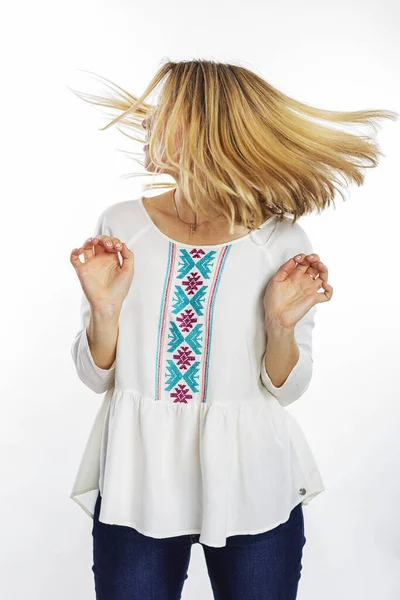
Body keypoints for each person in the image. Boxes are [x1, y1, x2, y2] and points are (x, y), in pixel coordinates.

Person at [68, 59, 396, 599]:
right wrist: (104, 309)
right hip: (136, 479)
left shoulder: (281, 242)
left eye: (164, 112)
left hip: (252, 483)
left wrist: (280, 323)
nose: (148, 122)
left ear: (202, 125)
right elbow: (94, 376)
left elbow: (287, 388)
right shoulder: (121, 225)